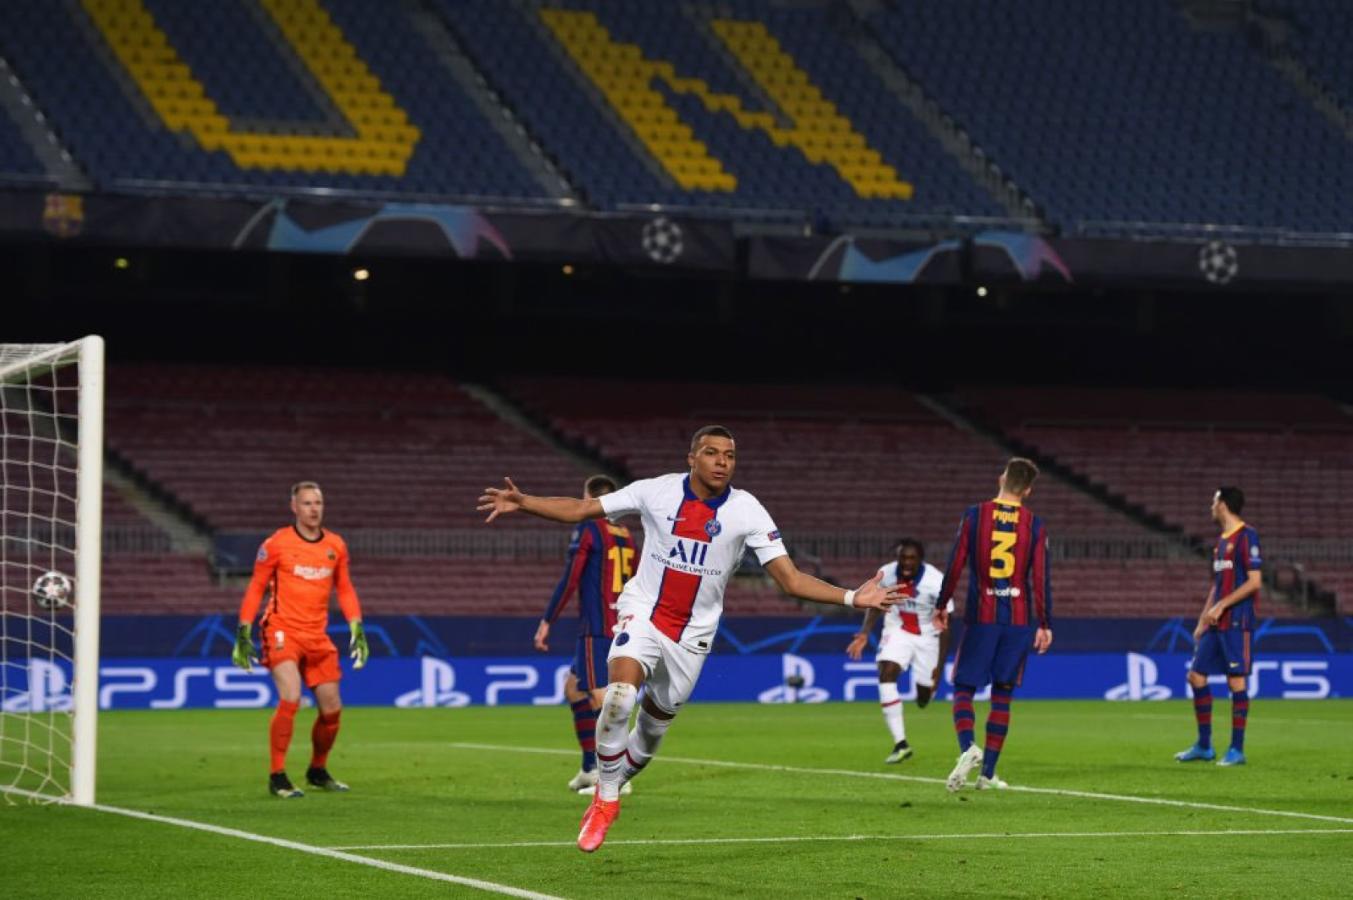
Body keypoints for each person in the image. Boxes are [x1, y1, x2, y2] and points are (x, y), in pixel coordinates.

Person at [479, 425, 896, 852]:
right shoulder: (655, 492)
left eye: (730, 455)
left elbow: (789, 579)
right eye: (712, 453)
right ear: (691, 458)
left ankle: (615, 780)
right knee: (620, 696)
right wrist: (525, 501)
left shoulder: (747, 510)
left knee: (650, 734)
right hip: (642, 613)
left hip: (693, 637)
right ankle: (605, 799)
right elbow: (583, 509)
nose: (722, 462)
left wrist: (851, 597)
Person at [232, 481, 369, 799]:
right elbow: (256, 587)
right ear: (294, 507)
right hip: (281, 630)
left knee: (332, 708)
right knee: (291, 695)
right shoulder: (277, 543)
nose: (313, 509)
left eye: (318, 503)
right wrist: (243, 630)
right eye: (306, 503)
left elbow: (345, 588)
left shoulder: (335, 545)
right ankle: (277, 775)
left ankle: (317, 770)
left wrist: (356, 627)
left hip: (316, 635)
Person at [934, 458, 1053, 793]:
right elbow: (1041, 578)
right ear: (1028, 490)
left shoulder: (975, 515)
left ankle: (968, 747)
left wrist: (942, 605)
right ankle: (988, 773)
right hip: (1018, 619)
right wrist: (1045, 622)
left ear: (1002, 478)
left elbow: (955, 562)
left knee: (963, 689)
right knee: (1003, 694)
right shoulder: (1035, 524)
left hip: (982, 616)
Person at [534, 474, 636, 794]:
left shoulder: (590, 528)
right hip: (618, 621)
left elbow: (571, 578)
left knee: (600, 696)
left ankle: (615, 776)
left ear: (590, 499)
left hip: (597, 625)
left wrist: (547, 619)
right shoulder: (627, 534)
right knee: (574, 689)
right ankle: (590, 768)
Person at [1175, 486, 1261, 767]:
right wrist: (1202, 620)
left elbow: (1254, 581)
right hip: (1216, 623)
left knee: (1235, 681)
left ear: (1223, 504)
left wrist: (1223, 606)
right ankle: (1204, 744)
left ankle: (1237, 749)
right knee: (1196, 677)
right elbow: (1217, 587)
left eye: (1213, 501)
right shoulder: (1221, 543)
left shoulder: (1247, 536)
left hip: (1237, 621)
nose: (1210, 506)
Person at [846, 538, 952, 764]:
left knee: (924, 697)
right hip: (898, 629)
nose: (906, 563)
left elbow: (945, 628)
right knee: (886, 672)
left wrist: (939, 670)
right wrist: (864, 632)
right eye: (903, 557)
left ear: (921, 560)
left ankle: (925, 691)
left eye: (912, 558)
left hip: (928, 636)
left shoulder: (937, 582)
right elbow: (876, 604)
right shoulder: (887, 574)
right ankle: (901, 743)